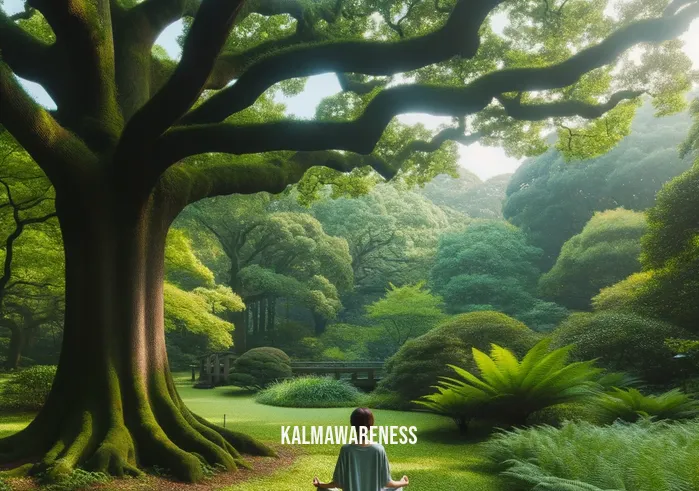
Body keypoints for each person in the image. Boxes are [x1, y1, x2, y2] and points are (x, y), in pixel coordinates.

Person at [312, 408, 409, 490]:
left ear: (352, 424)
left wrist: (320, 484)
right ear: (371, 426)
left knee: (323, 490)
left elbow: (338, 484)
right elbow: (387, 483)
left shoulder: (346, 450)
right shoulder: (379, 449)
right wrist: (402, 483)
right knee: (397, 488)